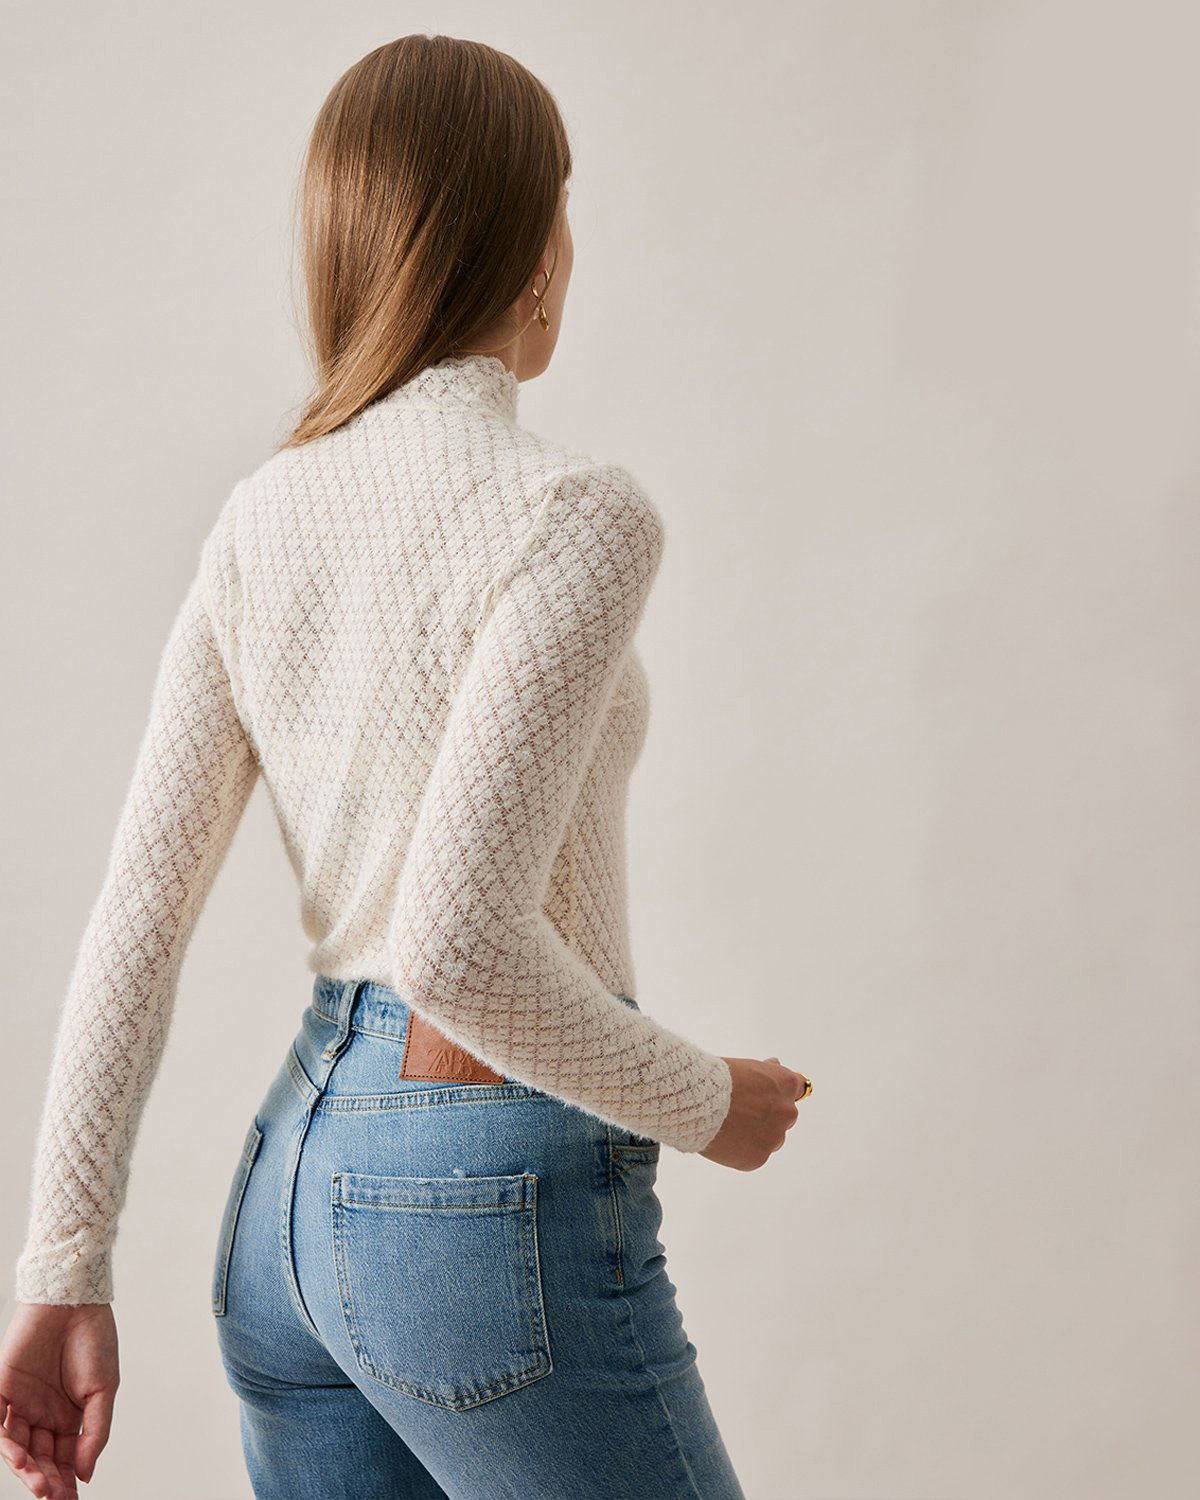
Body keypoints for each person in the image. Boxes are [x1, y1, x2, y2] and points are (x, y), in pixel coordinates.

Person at [1, 34, 810, 1500]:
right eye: (565, 206)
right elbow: (456, 946)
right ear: (531, 249)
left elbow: (136, 919)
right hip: (469, 1201)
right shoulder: (572, 514)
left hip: (288, 1207)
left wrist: (63, 1265)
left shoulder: (260, 520)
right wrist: (709, 1101)